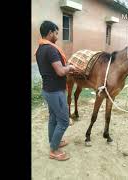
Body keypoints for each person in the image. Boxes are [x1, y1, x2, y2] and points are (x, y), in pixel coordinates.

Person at [35, 20, 79, 161]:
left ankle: (54, 141)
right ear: (50, 33)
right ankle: (54, 150)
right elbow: (60, 71)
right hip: (55, 92)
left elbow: (53, 70)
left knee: (53, 118)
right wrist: (70, 68)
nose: (57, 36)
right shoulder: (51, 49)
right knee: (64, 120)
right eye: (56, 33)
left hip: (48, 90)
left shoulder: (40, 49)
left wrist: (65, 68)